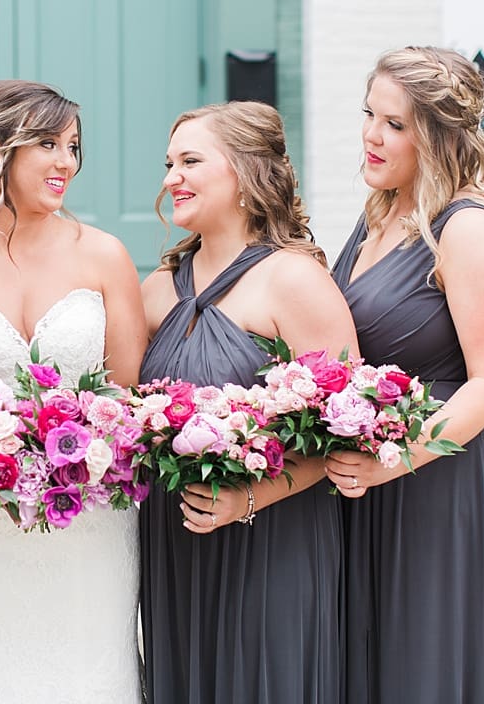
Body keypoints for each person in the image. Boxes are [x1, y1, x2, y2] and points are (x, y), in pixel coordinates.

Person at [0, 80, 149, 703]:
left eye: (73, 146)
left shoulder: (106, 257)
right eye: (48, 144)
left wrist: (74, 454)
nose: (66, 161)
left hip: (89, 517)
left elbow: (129, 400)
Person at [324, 46, 484, 702]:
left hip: (443, 481)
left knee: (432, 661)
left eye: (394, 124)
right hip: (376, 477)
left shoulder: (468, 229)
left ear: (439, 138)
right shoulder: (380, 214)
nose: (371, 134)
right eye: (368, 114)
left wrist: (391, 461)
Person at [137, 101, 358, 703]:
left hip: (273, 539)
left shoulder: (295, 280)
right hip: (176, 541)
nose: (171, 178)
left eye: (190, 161)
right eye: (169, 164)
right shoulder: (156, 290)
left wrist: (248, 497)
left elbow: (348, 432)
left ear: (244, 173)